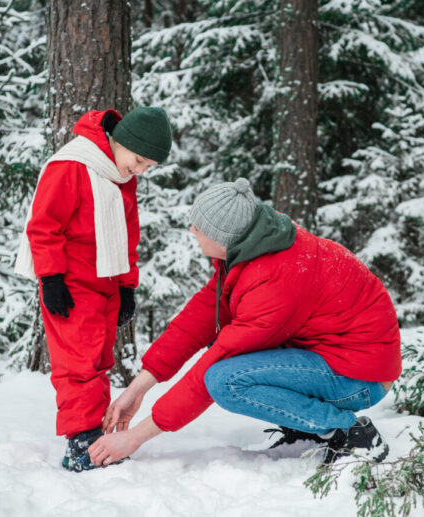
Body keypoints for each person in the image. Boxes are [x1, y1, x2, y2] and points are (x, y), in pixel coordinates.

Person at [88, 178, 401, 467]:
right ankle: (312, 426)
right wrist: (138, 388)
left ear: (223, 236)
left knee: (224, 380)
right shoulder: (253, 248)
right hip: (334, 358)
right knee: (225, 358)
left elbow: (210, 369)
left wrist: (135, 437)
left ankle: (350, 432)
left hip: (359, 378)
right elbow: (197, 319)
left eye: (200, 226)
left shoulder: (274, 278)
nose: (192, 230)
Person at [15, 107, 173, 472]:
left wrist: (127, 289)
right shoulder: (72, 165)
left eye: (149, 166)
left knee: (100, 361)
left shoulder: (122, 177)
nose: (142, 170)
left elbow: (128, 237)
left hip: (107, 280)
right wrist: (51, 278)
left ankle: (97, 432)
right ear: (123, 143)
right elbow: (43, 225)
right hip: (70, 284)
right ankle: (82, 439)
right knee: (78, 364)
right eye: (140, 160)